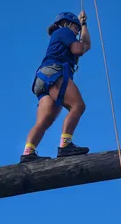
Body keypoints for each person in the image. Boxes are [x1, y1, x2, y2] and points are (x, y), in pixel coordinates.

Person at [21, 10, 92, 163]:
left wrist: (84, 24)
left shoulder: (61, 35)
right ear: (68, 23)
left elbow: (86, 45)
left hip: (42, 78)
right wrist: (78, 39)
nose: (77, 32)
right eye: (76, 28)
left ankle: (28, 153)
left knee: (44, 121)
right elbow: (78, 49)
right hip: (54, 73)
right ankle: (65, 146)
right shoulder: (64, 31)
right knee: (78, 106)